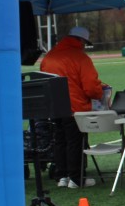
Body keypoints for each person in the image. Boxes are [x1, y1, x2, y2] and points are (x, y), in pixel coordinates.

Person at [39, 26, 106, 188]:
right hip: (75, 107)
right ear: (81, 41)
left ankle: (62, 176)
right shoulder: (80, 58)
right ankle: (76, 178)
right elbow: (91, 87)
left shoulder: (49, 57)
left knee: (60, 140)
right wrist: (100, 92)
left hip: (54, 106)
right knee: (75, 142)